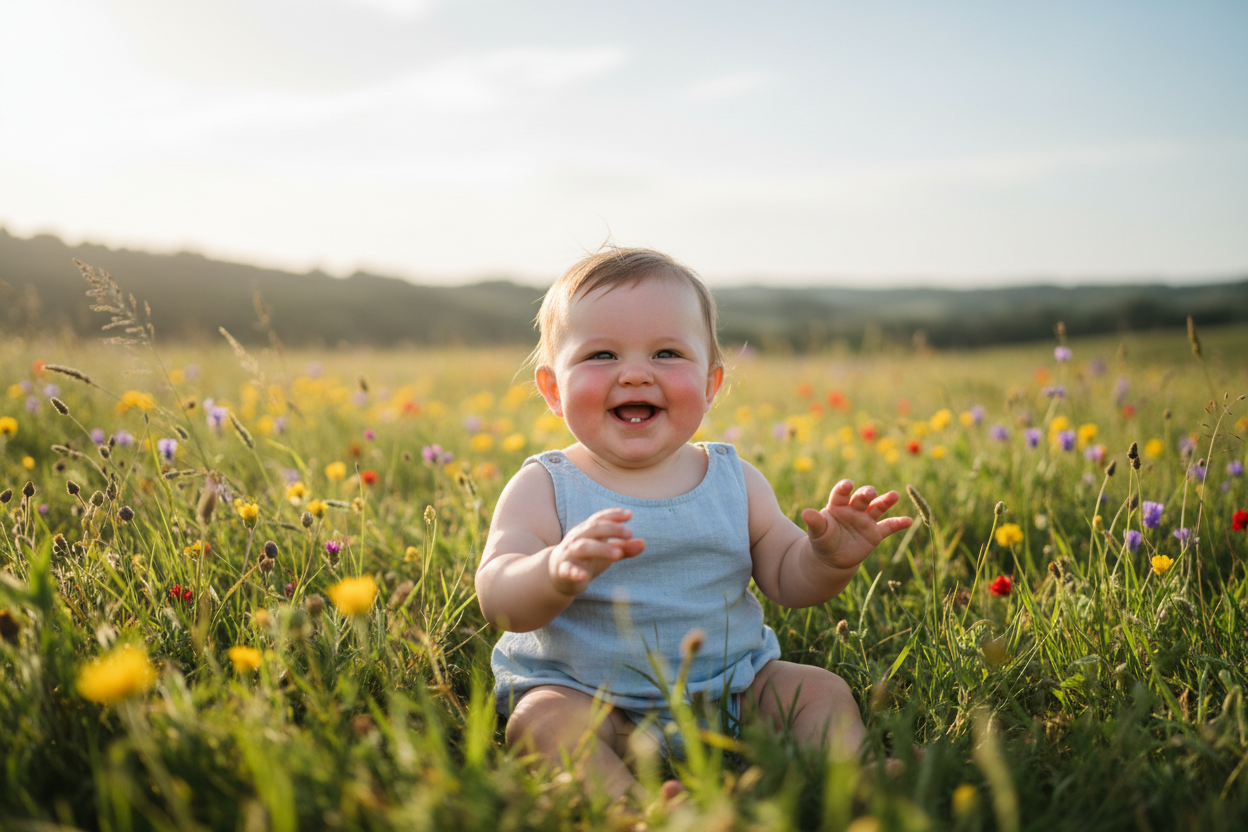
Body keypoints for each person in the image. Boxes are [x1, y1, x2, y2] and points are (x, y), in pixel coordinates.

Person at [475, 247, 912, 801]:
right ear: (553, 390)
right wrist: (551, 572)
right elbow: (498, 595)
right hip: (591, 700)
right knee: (540, 721)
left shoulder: (734, 480)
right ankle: (628, 807)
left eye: (666, 353)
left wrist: (825, 559)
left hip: (731, 692)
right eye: (602, 355)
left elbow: (787, 578)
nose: (635, 374)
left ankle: (852, 773)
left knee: (817, 689)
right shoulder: (545, 486)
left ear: (710, 385)